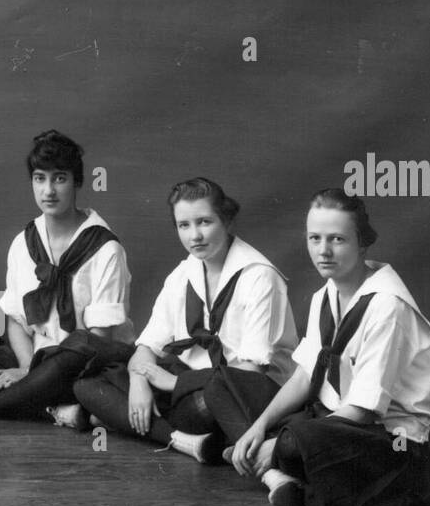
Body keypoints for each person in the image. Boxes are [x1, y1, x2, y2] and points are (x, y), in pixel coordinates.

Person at [230, 188, 430, 506]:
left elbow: (362, 410)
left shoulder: (387, 306)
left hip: (385, 441)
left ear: (363, 243)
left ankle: (277, 466)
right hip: (329, 419)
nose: (323, 251)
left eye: (337, 240)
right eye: (315, 238)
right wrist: (259, 426)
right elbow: (304, 376)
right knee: (228, 387)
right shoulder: (326, 295)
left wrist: (288, 440)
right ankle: (278, 474)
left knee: (286, 443)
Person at [73, 177, 297, 462]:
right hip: (187, 382)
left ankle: (134, 422)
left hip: (243, 394)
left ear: (226, 221)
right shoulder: (183, 274)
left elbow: (250, 373)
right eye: (184, 225)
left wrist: (176, 384)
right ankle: (185, 442)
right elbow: (146, 347)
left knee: (199, 407)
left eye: (204, 222)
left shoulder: (260, 276)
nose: (195, 236)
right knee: (87, 385)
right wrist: (139, 380)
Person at [0, 130, 134, 426]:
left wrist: (33, 373)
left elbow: (98, 342)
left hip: (85, 364)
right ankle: (55, 409)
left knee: (74, 355)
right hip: (35, 361)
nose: (48, 190)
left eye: (59, 178)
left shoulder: (105, 248)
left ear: (77, 182)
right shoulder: (24, 242)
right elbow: (14, 319)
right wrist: (26, 367)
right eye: (40, 178)